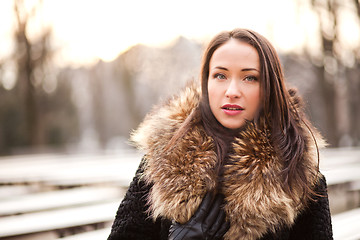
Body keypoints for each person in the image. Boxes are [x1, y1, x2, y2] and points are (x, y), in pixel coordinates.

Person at [107, 28, 333, 240]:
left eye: (250, 78)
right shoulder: (162, 158)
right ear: (206, 82)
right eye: (220, 76)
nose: (232, 91)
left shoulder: (299, 172)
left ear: (269, 88)